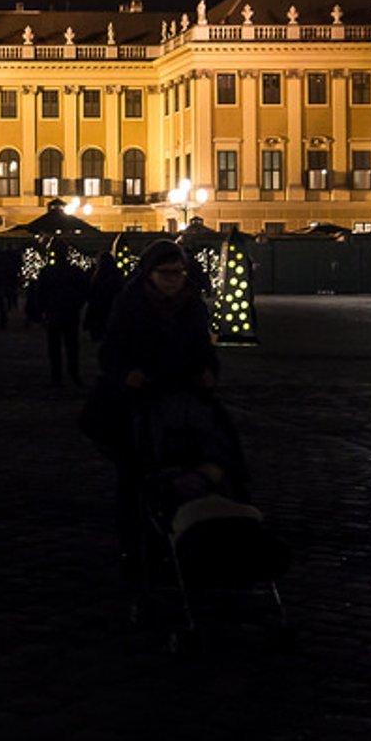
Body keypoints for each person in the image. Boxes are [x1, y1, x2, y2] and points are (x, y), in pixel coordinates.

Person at [96, 239, 225, 613]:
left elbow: (204, 350)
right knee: (134, 476)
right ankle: (134, 545)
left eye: (179, 273)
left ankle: (189, 536)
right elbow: (111, 352)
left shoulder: (193, 307)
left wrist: (208, 373)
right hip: (138, 403)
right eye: (167, 274)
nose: (174, 280)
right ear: (150, 273)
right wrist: (129, 375)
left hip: (182, 399)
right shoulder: (130, 304)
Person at [27, 246, 90, 386]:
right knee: (72, 345)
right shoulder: (75, 271)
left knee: (54, 346)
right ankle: (73, 372)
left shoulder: (47, 272)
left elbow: (41, 294)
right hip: (70, 312)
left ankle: (57, 375)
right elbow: (85, 291)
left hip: (54, 312)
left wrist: (39, 312)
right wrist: (77, 305)